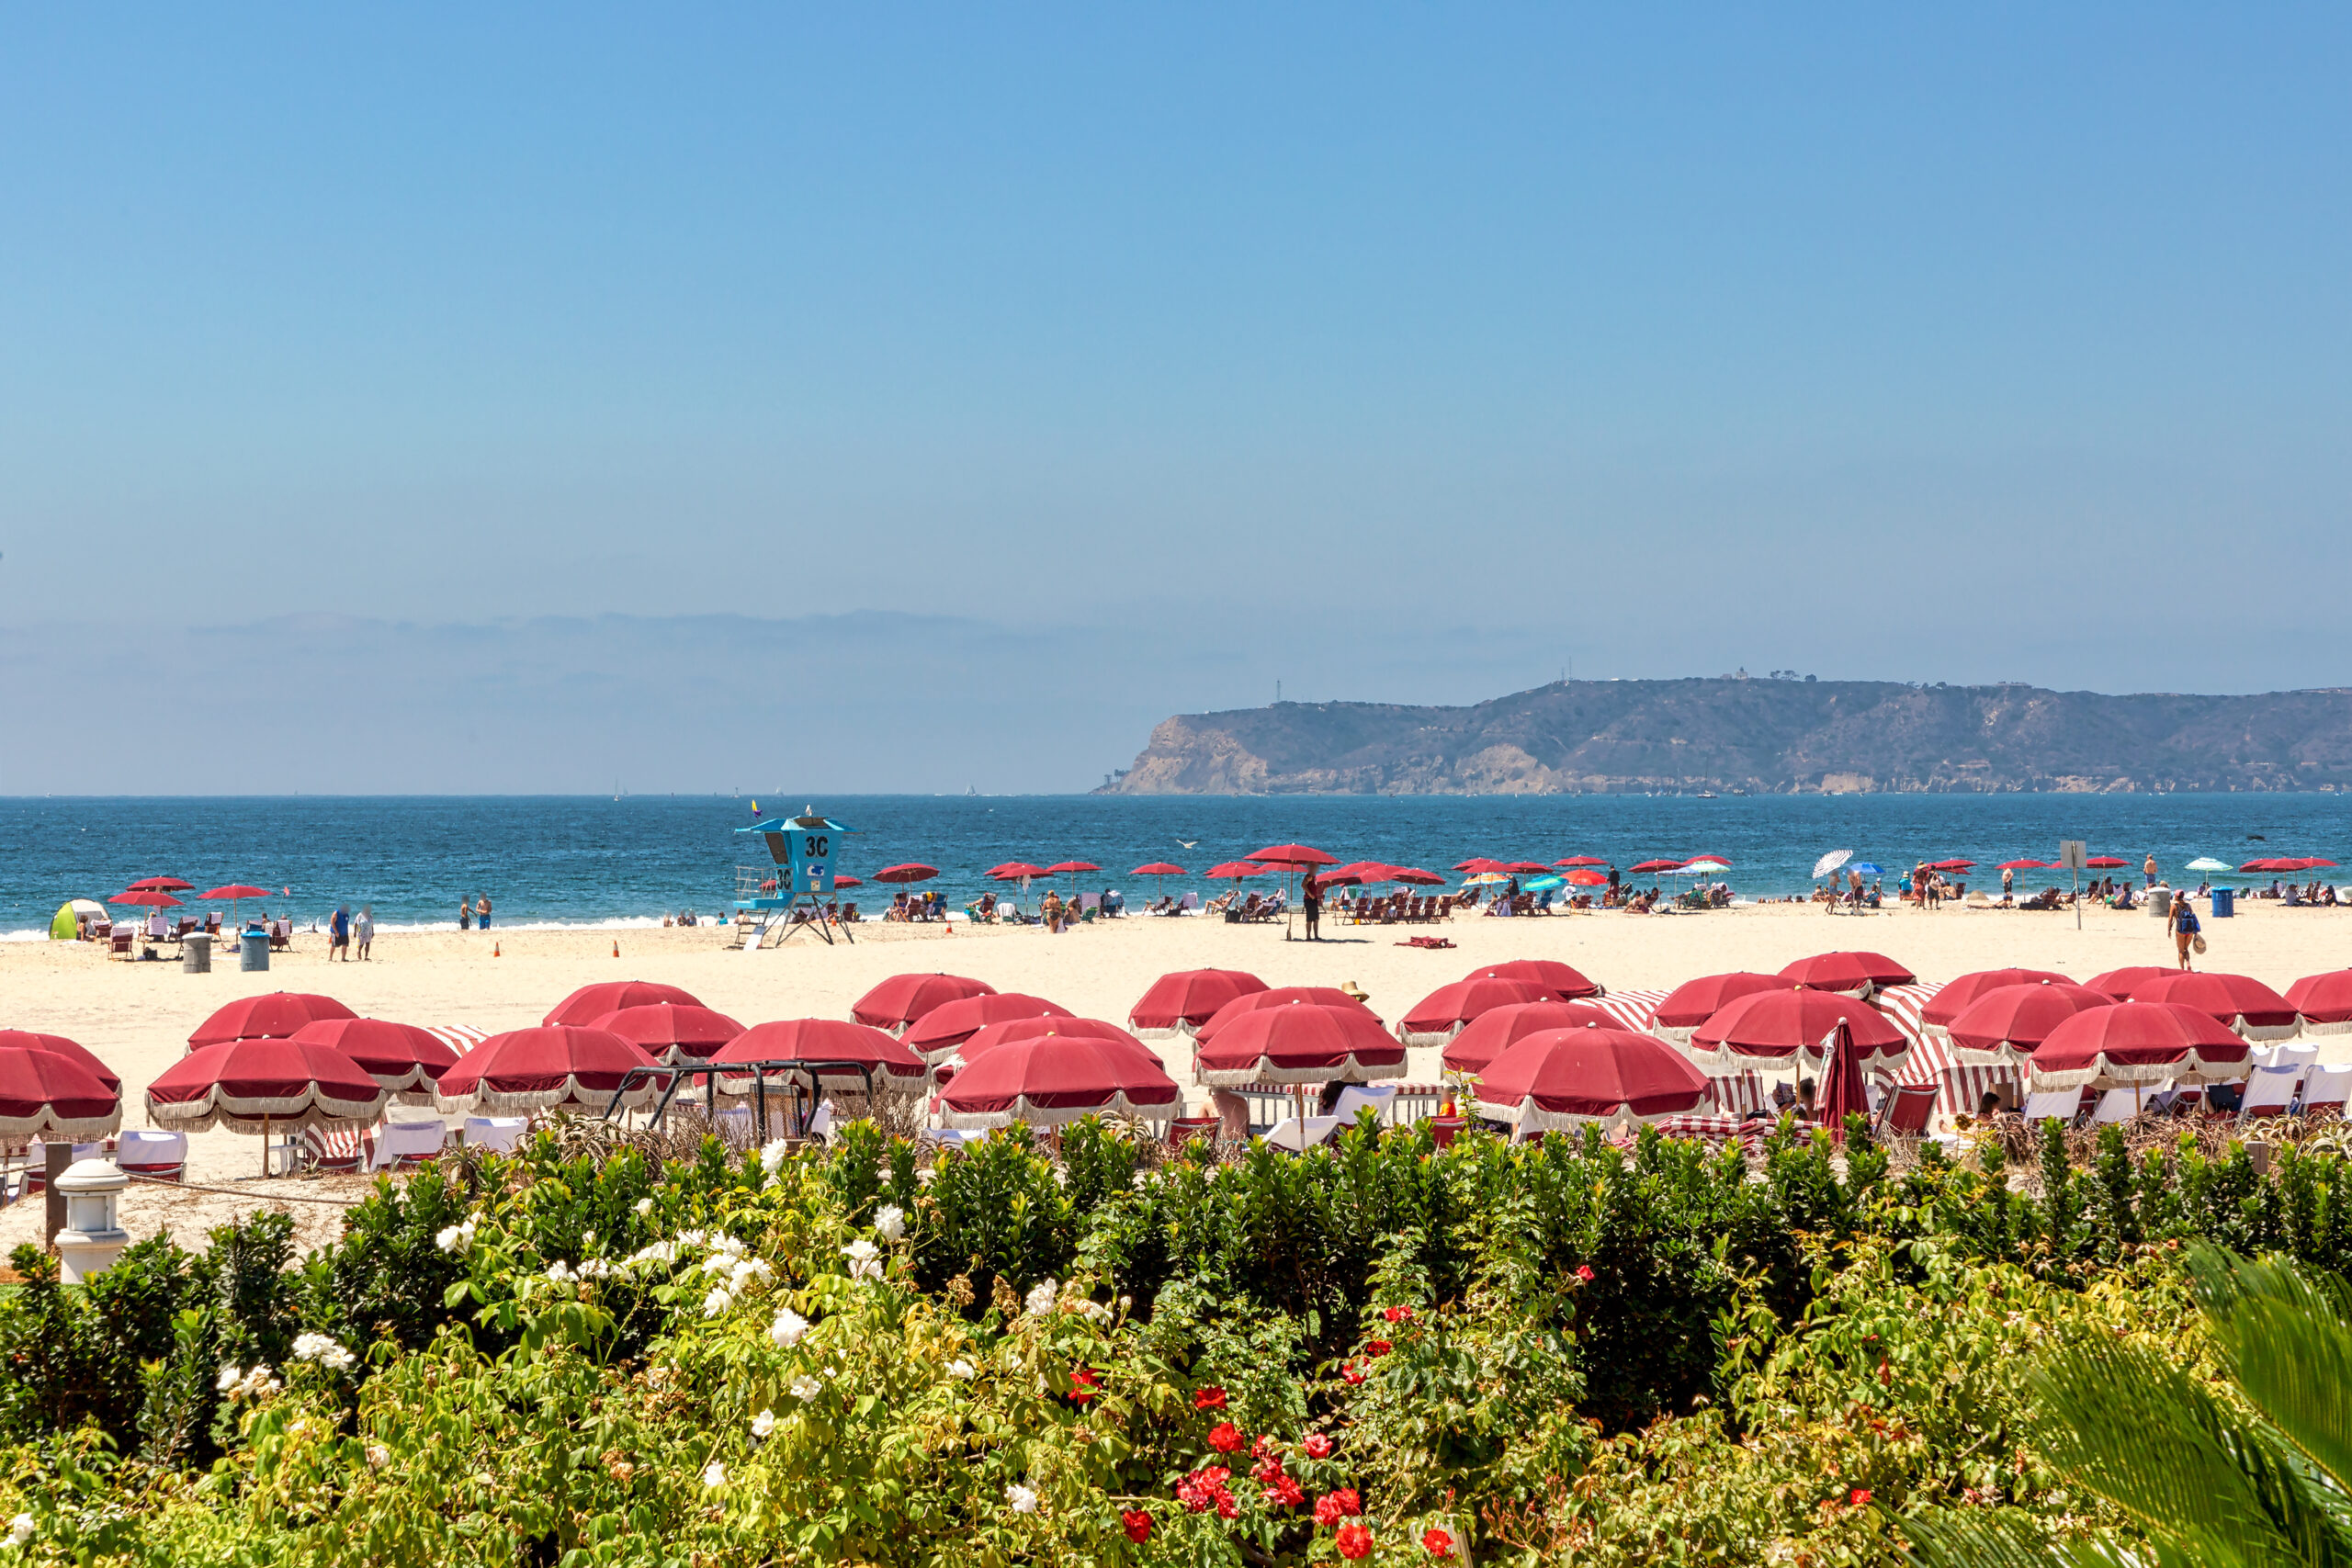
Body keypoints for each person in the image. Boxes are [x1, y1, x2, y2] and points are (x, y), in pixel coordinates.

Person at [2170, 886, 2201, 971]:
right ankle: (2188, 962)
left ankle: (2182, 969)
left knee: (2180, 951)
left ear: (2176, 896)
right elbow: (2193, 916)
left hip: (2180, 930)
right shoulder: (2188, 905)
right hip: (2189, 930)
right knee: (2186, 949)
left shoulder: (2174, 906)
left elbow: (2170, 919)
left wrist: (2169, 930)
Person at [1301, 874, 1321, 940]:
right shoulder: (1309, 875)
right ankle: (1308, 936)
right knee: (1309, 919)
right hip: (1309, 899)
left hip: (1314, 899)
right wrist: (1310, 894)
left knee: (1316, 919)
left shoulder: (1314, 876)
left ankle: (1316, 936)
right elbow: (1303, 885)